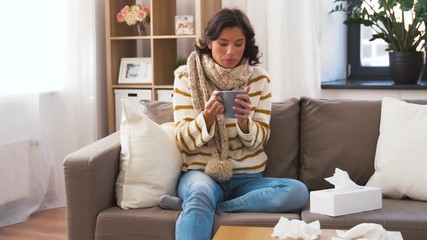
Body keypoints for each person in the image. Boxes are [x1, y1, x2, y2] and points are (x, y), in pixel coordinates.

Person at [159, 8, 308, 240]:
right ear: (209, 42)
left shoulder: (259, 79)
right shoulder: (186, 77)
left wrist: (244, 122)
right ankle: (200, 202)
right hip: (202, 174)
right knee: (200, 192)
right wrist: (206, 117)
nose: (231, 52)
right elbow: (183, 141)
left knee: (297, 191)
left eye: (239, 44)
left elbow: (261, 138)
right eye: (223, 43)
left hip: (247, 178)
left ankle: (214, 206)